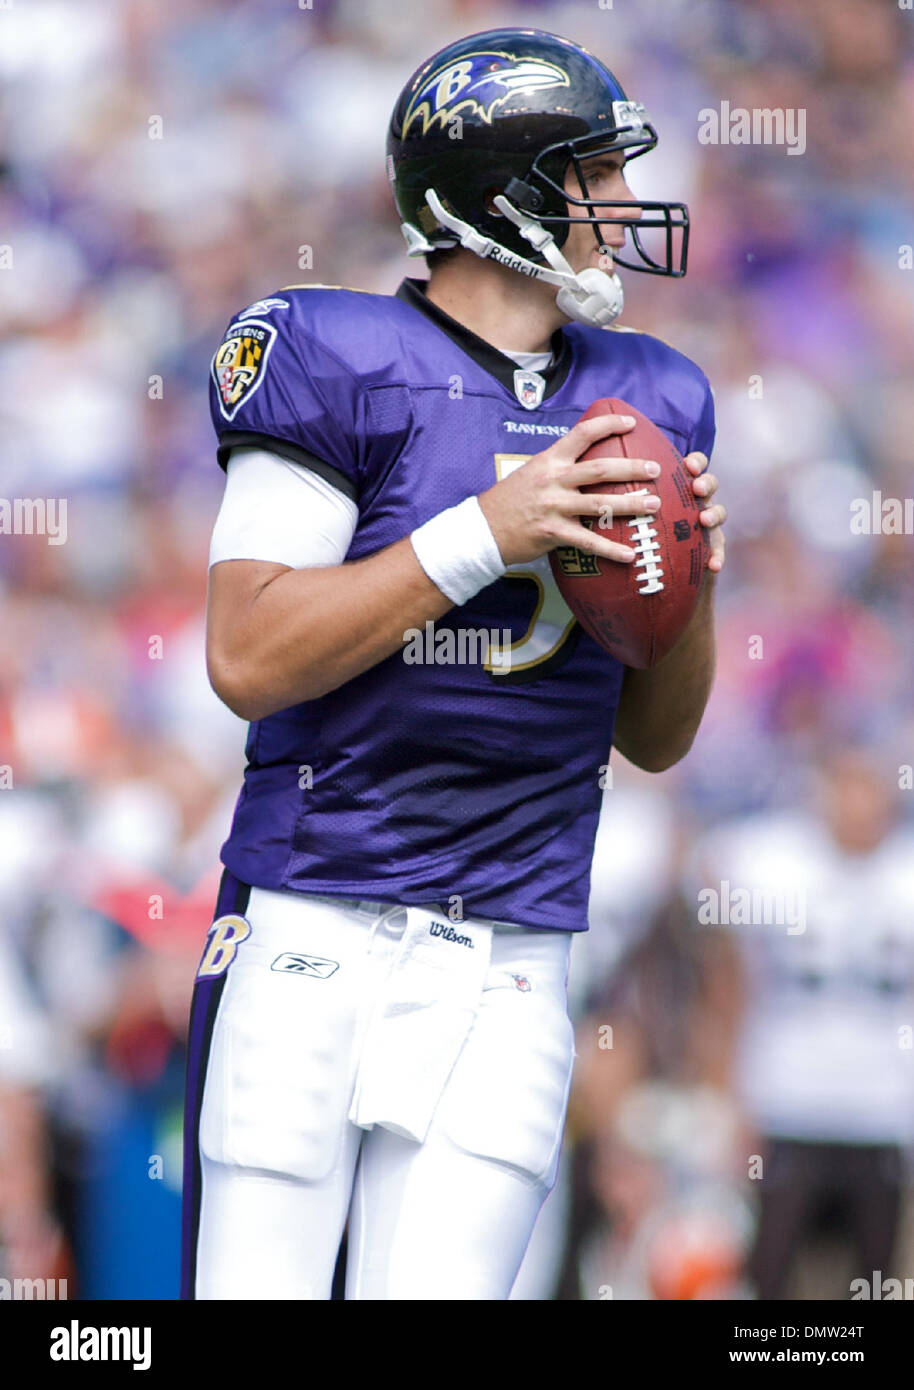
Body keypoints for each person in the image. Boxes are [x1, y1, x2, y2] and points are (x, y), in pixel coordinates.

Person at [181, 27, 726, 1301]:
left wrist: (689, 582)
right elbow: (248, 653)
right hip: (315, 925)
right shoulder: (331, 353)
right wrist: (492, 529)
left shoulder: (658, 393)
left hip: (514, 954)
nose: (620, 206)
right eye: (593, 172)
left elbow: (654, 736)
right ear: (506, 192)